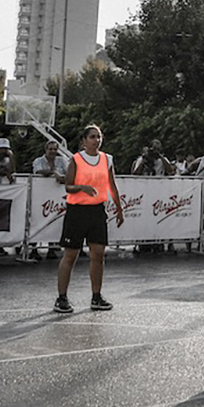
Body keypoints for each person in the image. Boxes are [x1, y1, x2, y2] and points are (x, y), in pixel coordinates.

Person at [54, 124, 124, 314]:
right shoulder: (76, 159)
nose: (96, 140)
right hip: (77, 211)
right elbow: (68, 186)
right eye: (92, 137)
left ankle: (96, 296)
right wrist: (82, 187)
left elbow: (112, 185)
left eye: (99, 137)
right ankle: (61, 298)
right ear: (84, 141)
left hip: (97, 211)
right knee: (70, 255)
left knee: (98, 254)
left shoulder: (107, 159)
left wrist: (119, 208)